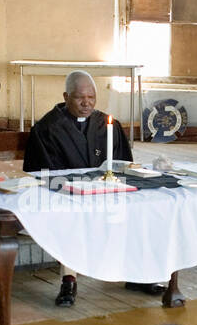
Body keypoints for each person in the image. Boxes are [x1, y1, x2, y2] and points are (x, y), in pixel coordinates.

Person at [22, 70, 141, 308]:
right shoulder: (47, 128)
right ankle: (69, 280)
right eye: (79, 98)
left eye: (92, 98)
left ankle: (137, 273)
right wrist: (75, 189)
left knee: (141, 209)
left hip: (105, 193)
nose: (87, 103)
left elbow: (122, 165)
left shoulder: (107, 125)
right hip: (67, 197)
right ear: (66, 96)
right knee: (72, 216)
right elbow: (43, 175)